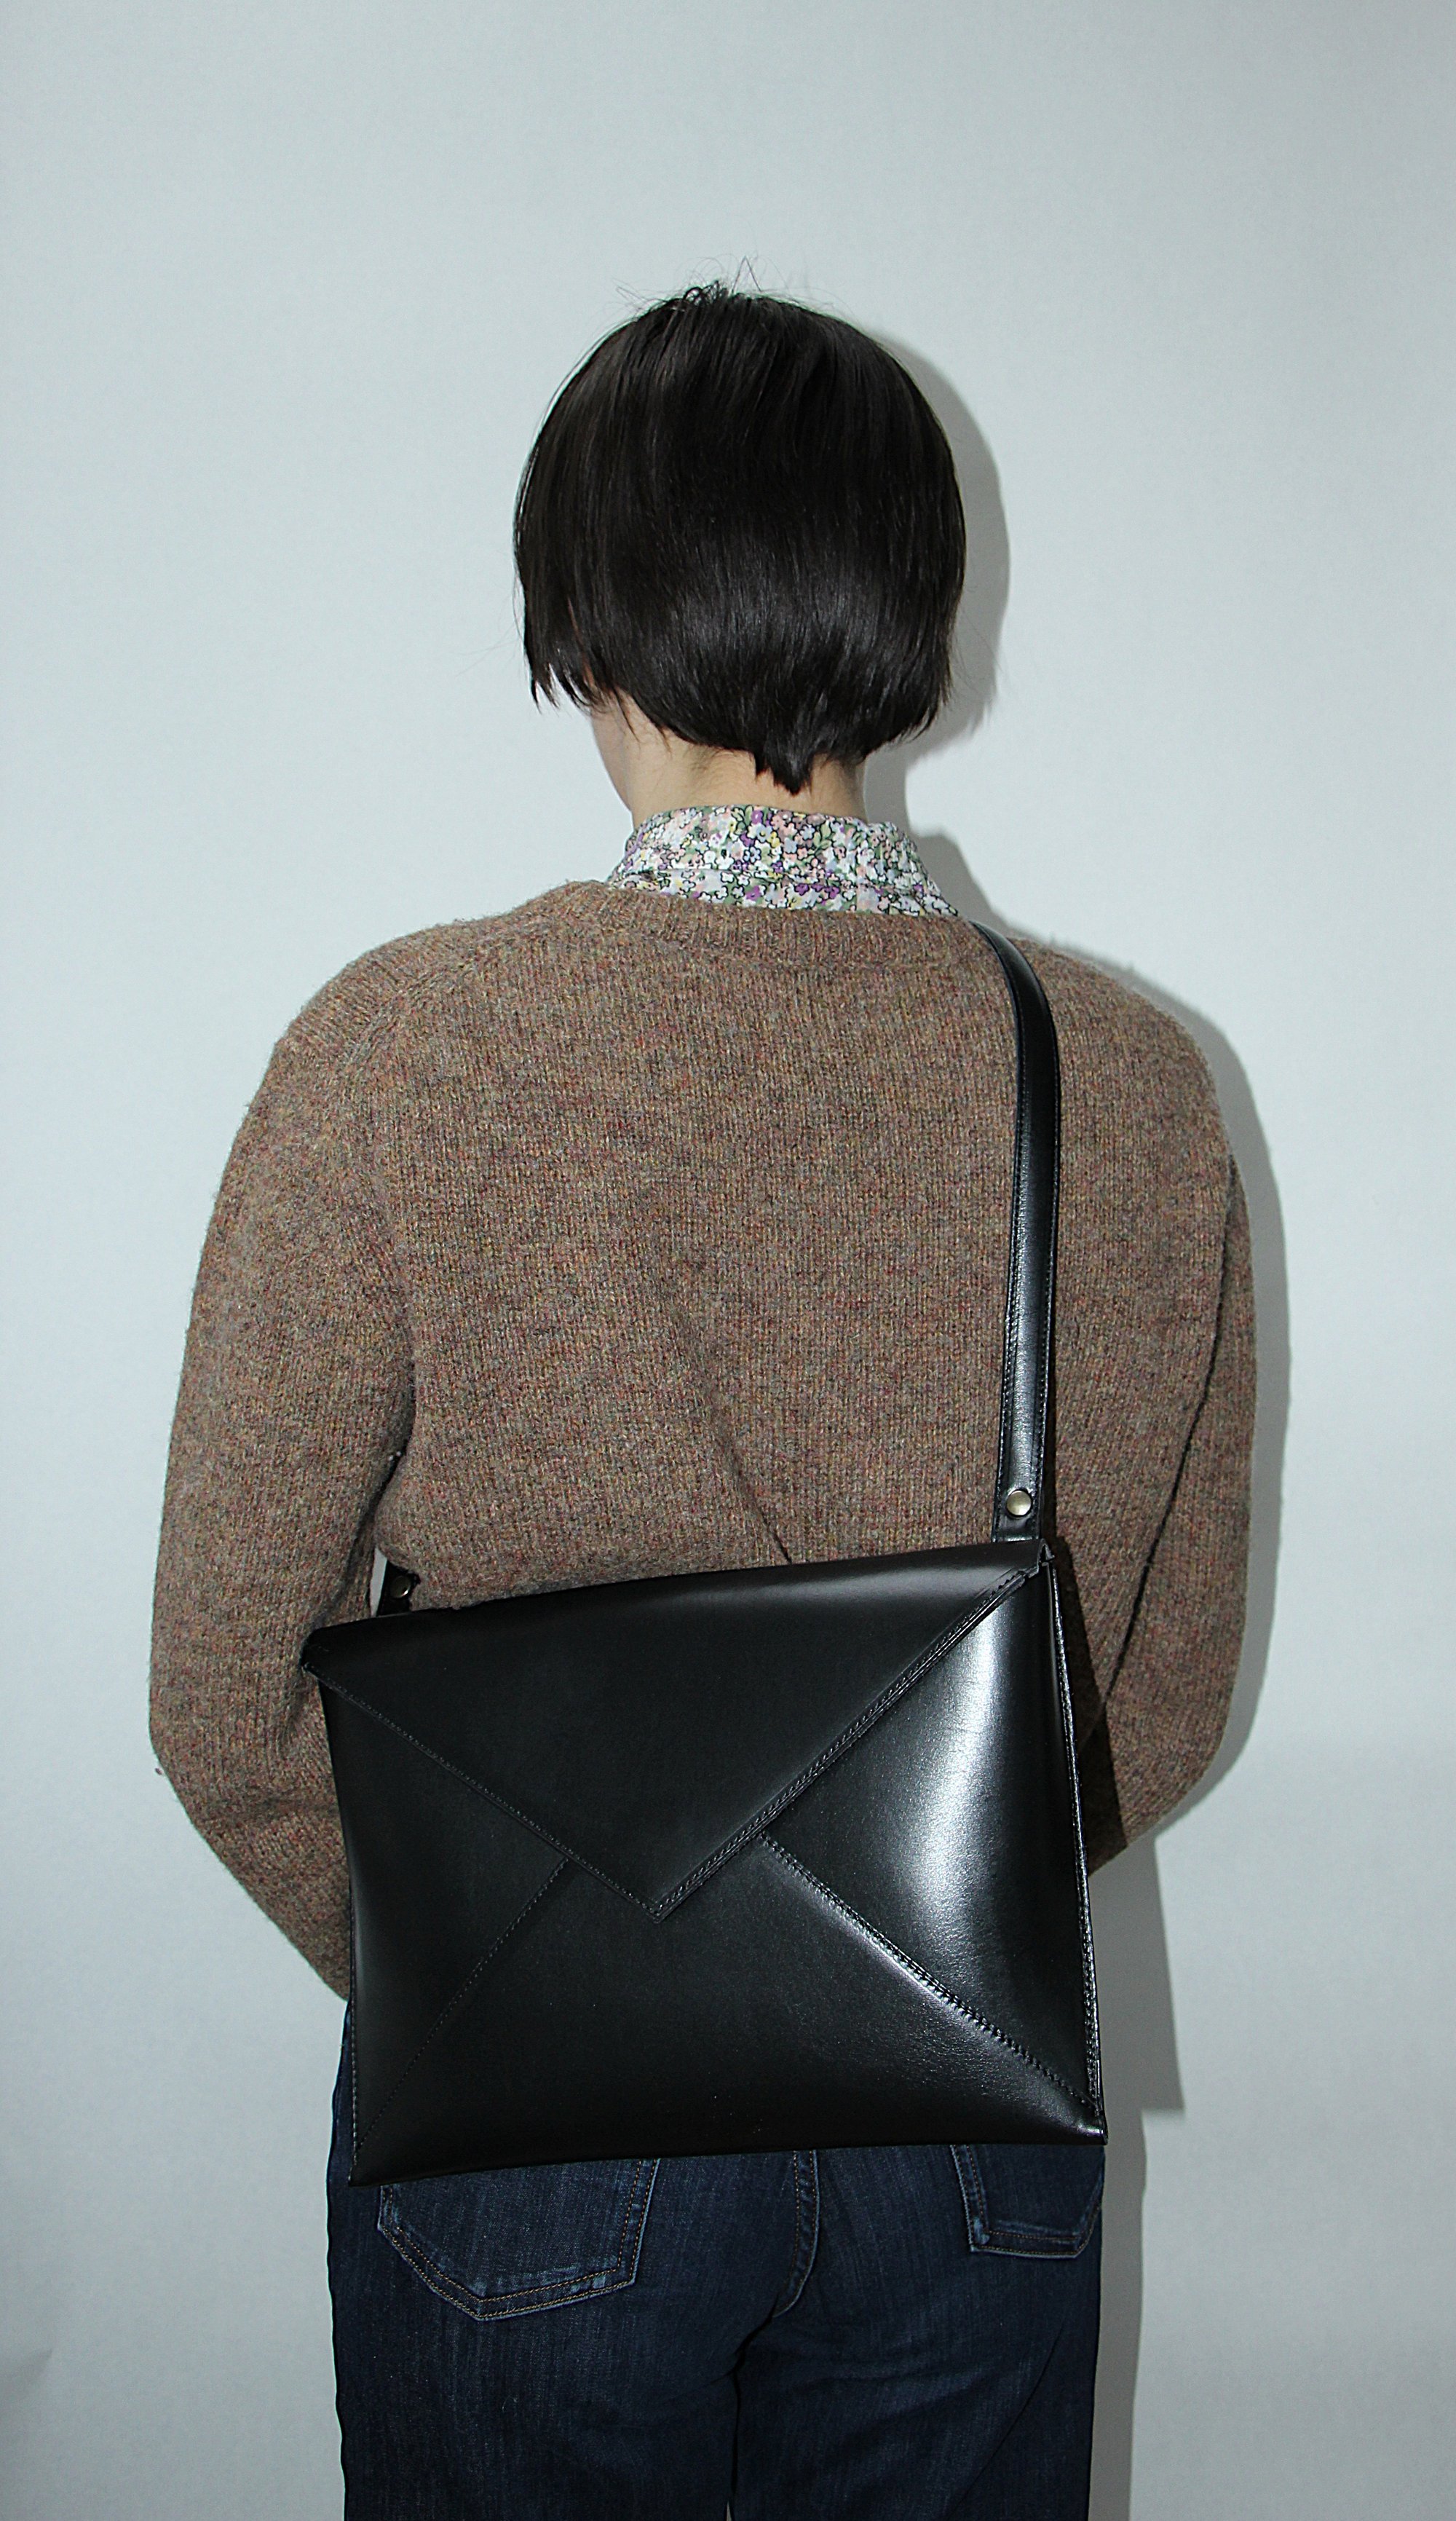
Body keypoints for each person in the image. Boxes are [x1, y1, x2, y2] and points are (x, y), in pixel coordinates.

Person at [150, 284, 1255, 2520]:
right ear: (907, 608)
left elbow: (216, 1686)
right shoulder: (1128, 1083)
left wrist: (499, 1956)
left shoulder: (405, 1053)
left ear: (590, 621)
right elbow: (1159, 1682)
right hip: (961, 2116)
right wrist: (890, 1927)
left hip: (532, 2116)